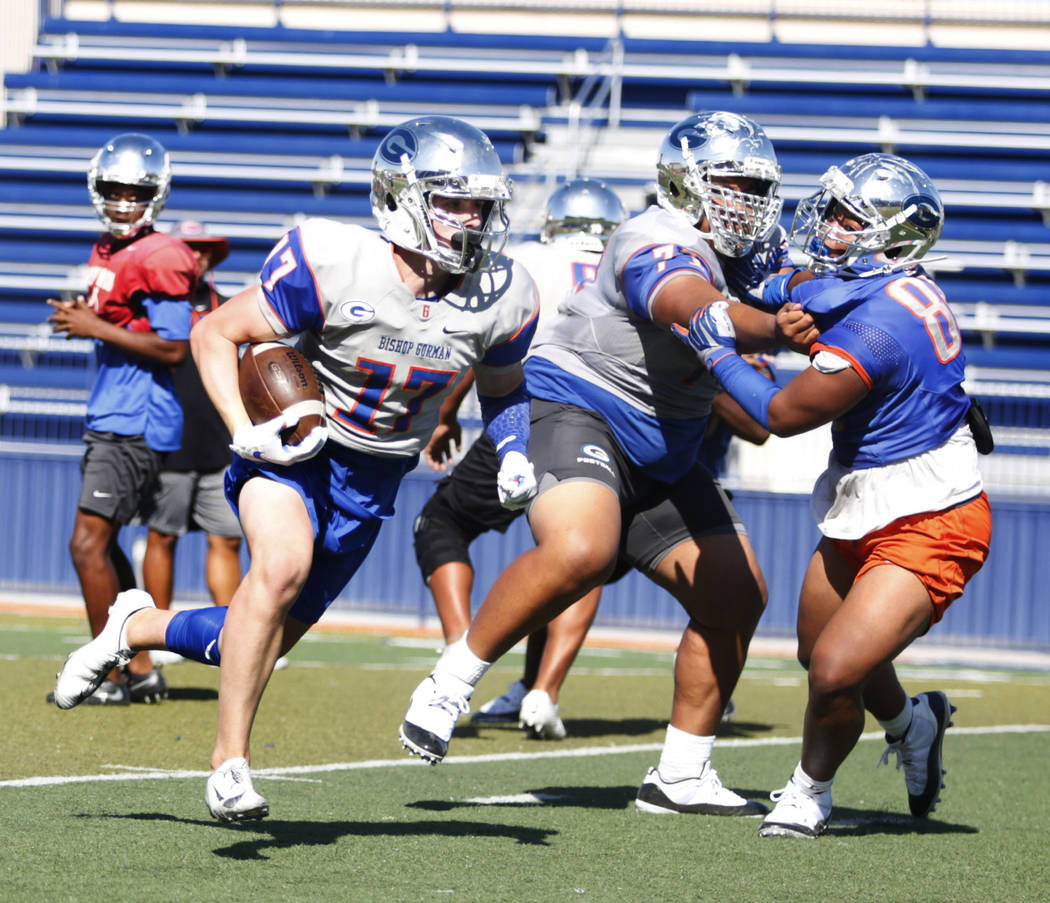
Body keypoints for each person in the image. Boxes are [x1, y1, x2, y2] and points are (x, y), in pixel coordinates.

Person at [51, 115, 541, 823]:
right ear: (403, 197)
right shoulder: (335, 260)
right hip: (296, 446)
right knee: (278, 569)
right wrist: (247, 432)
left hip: (373, 479)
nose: (474, 217)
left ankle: (135, 625)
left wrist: (517, 448)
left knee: (247, 641)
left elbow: (503, 387)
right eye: (454, 200)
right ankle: (229, 764)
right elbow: (215, 332)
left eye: (480, 203)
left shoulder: (505, 291)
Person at [399, 110, 817, 819]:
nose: (748, 200)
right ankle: (451, 678)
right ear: (686, 184)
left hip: (666, 447)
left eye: (756, 186)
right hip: (578, 406)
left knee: (736, 595)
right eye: (734, 184)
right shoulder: (648, 239)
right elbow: (701, 311)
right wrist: (777, 327)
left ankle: (682, 772)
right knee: (582, 548)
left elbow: (806, 285)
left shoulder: (754, 248)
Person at [681, 152, 992, 837]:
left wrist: (718, 353)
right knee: (819, 653)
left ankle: (808, 790)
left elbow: (784, 414)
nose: (829, 227)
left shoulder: (884, 323)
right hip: (865, 495)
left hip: (932, 516)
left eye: (851, 219)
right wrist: (773, 286)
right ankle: (915, 724)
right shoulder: (878, 287)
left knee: (834, 668)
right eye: (834, 211)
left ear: (894, 238)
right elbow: (806, 289)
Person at [413, 177, 627, 739]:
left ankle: (460, 653)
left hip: (540, 412)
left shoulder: (529, 259)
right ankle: (543, 691)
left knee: (440, 521)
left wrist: (446, 411)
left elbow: (487, 337)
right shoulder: (634, 261)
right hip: (620, 426)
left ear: (555, 221)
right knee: (579, 557)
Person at [46, 133, 195, 706]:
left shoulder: (162, 254)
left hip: (138, 418)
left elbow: (174, 347)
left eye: (135, 192)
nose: (123, 201)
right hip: (112, 411)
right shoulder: (106, 250)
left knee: (87, 544)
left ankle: (105, 672)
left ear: (156, 194)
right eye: (112, 190)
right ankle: (137, 663)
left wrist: (95, 327)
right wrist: (91, 319)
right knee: (103, 547)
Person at [141, 222, 243, 621]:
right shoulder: (156, 308)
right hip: (169, 443)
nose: (195, 257)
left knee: (228, 540)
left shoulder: (231, 307)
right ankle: (157, 631)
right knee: (162, 537)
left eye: (203, 250)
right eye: (187, 249)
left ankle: (233, 634)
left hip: (222, 444)